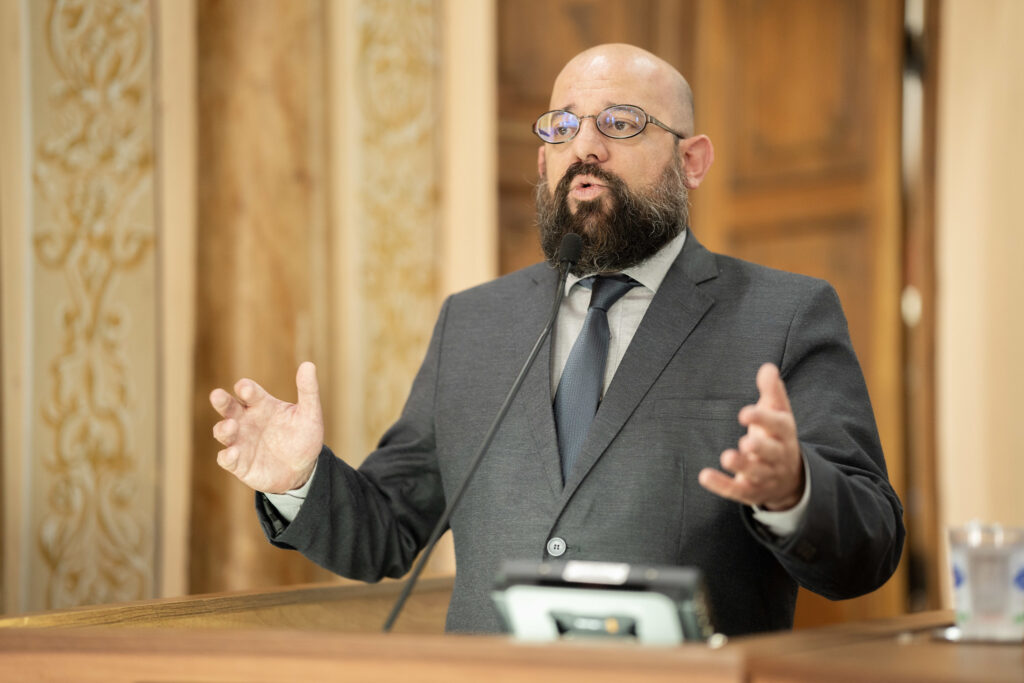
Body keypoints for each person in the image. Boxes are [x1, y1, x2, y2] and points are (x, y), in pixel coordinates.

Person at [209, 44, 904, 636]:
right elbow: (388, 531)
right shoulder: (475, 324)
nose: (585, 147)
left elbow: (869, 547)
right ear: (542, 162)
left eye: (621, 123)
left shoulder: (784, 314)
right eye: (562, 127)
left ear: (692, 160)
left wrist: (795, 492)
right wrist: (301, 480)